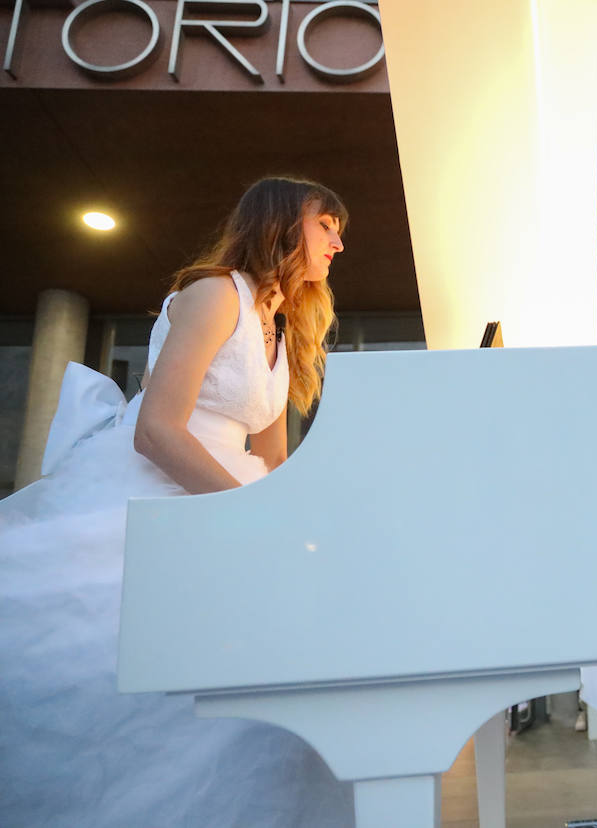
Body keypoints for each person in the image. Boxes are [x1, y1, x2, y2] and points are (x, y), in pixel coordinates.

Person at [0, 177, 354, 828]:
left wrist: (314, 519)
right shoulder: (215, 292)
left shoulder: (277, 323)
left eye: (339, 229)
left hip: (226, 494)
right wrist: (248, 517)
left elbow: (272, 461)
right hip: (158, 490)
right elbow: (156, 429)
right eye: (325, 223)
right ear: (278, 222)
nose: (337, 240)